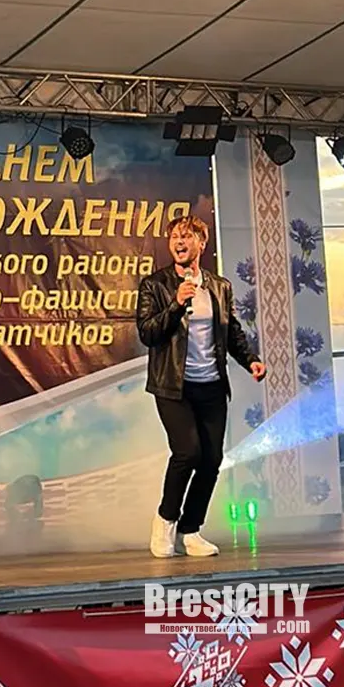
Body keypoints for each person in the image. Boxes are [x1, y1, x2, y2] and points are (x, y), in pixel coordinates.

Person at [136, 215, 266, 559]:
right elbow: (148, 333)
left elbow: (231, 331)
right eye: (174, 238)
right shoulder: (155, 285)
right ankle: (165, 520)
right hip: (173, 385)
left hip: (212, 385)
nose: (179, 243)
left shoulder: (219, 286)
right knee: (188, 452)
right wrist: (176, 303)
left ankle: (190, 530)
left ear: (201, 243)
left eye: (186, 237)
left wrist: (250, 359)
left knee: (211, 460)